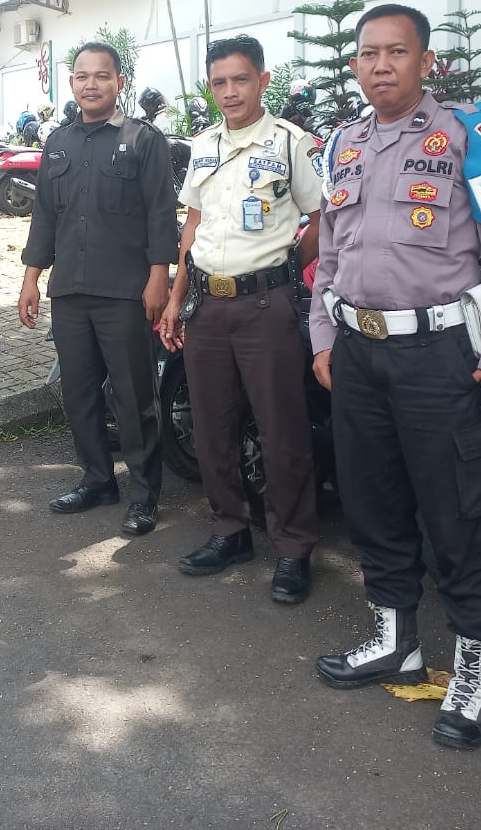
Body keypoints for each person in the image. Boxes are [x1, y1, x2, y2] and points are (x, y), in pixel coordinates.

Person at [307, 3, 481, 750]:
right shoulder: (342, 142)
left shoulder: (471, 133)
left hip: (440, 356)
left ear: (426, 62)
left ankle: (475, 670)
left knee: (457, 515)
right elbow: (330, 253)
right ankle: (394, 641)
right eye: (368, 53)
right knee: (372, 502)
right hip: (357, 352)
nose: (380, 65)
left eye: (397, 52)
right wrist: (322, 335)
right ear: (355, 65)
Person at [159, 35, 324, 603]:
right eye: (219, 83)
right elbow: (193, 225)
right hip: (207, 305)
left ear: (263, 80)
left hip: (264, 307)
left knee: (281, 431)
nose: (230, 92)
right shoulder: (203, 144)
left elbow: (321, 218)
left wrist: (284, 268)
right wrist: (176, 298)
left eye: (240, 80)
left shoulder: (291, 144)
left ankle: (294, 547)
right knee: (212, 427)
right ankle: (229, 530)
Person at [17, 43, 178, 536]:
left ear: (119, 83)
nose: (92, 84)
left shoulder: (144, 140)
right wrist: (31, 277)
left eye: (102, 76)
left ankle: (144, 495)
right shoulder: (57, 143)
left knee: (133, 396)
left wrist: (158, 277)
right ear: (71, 84)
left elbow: (160, 213)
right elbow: (45, 215)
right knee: (79, 393)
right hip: (69, 289)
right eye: (82, 76)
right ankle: (97, 480)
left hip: (126, 292)